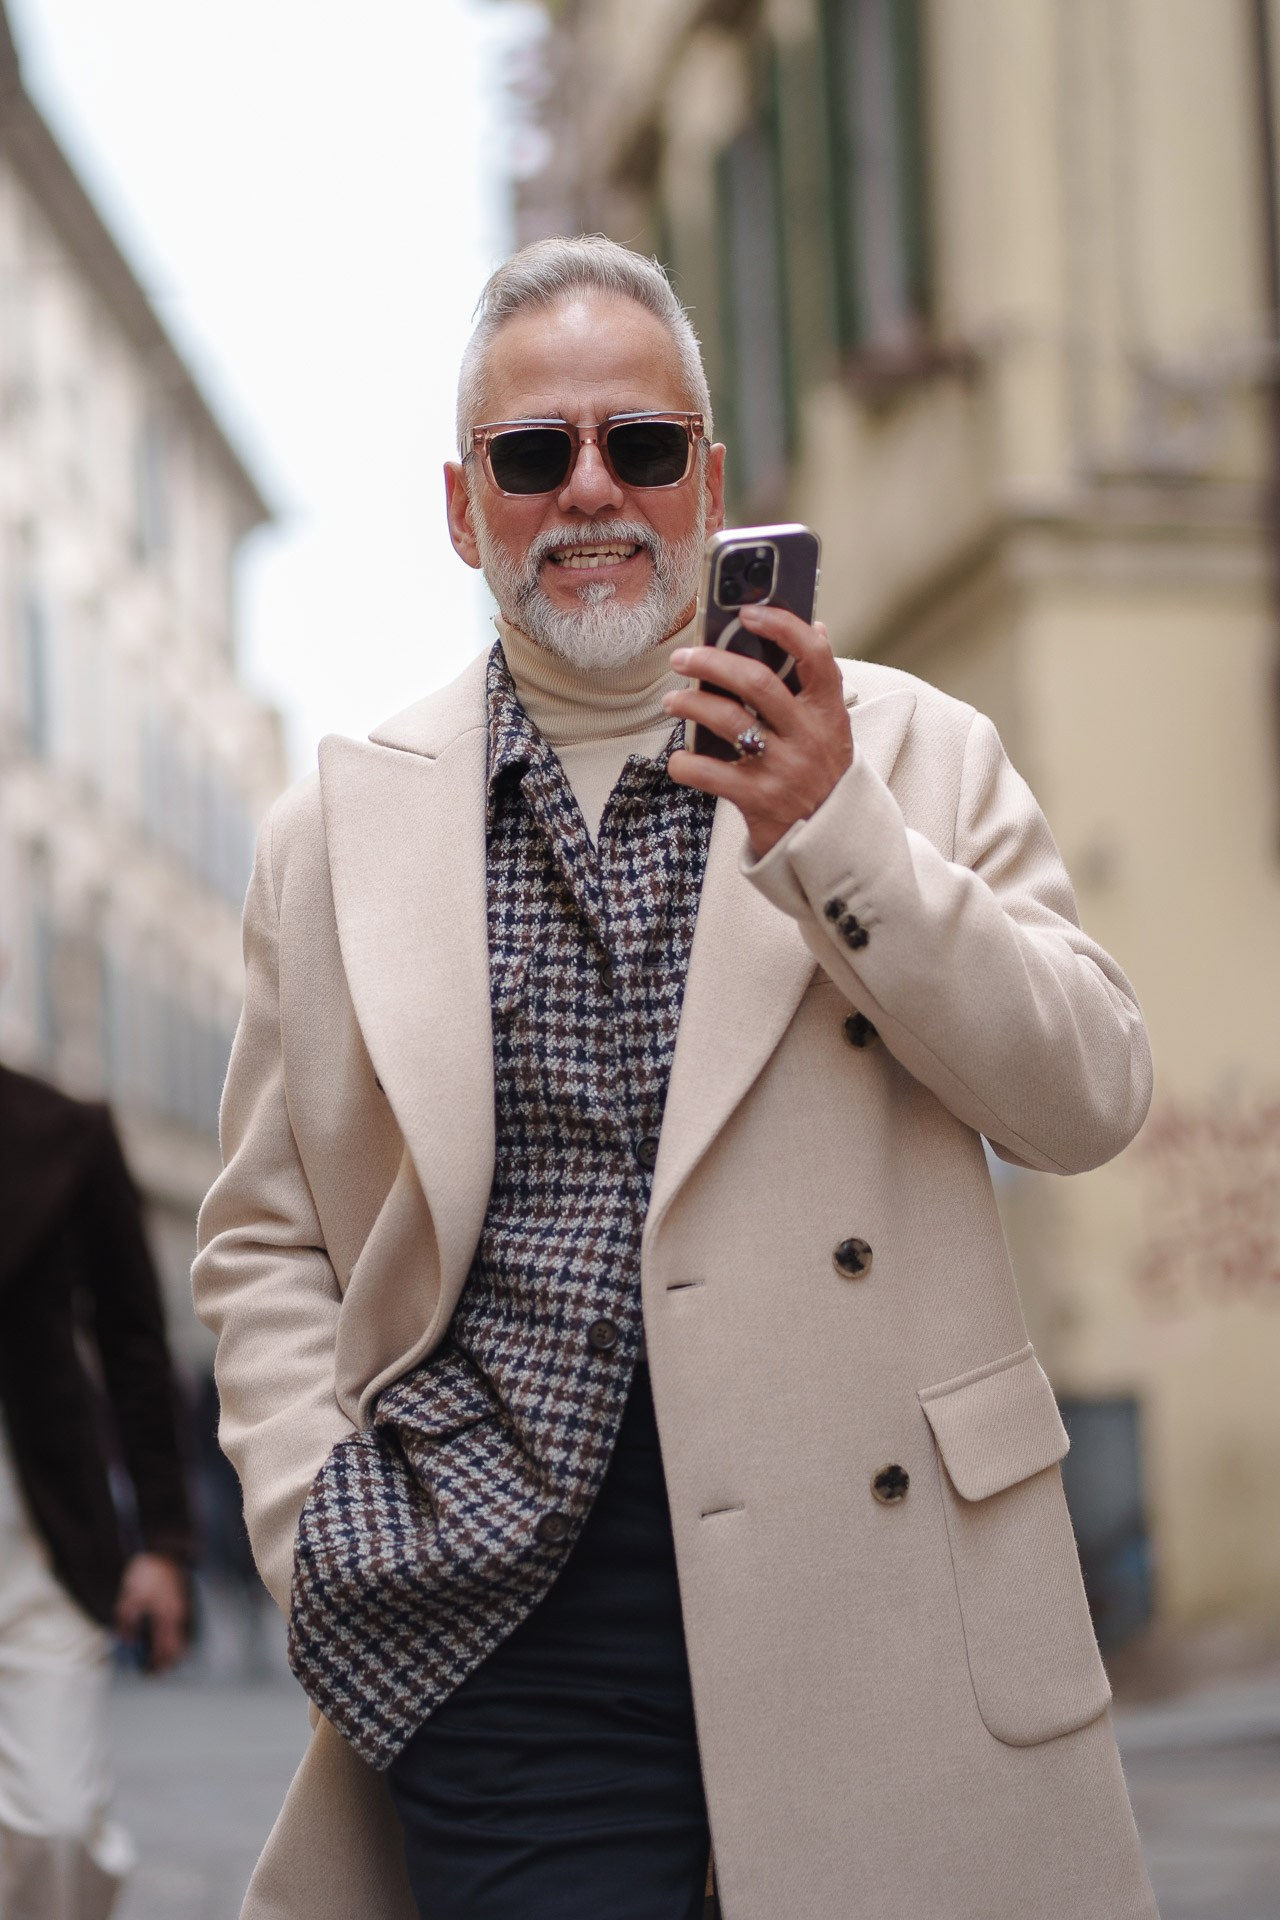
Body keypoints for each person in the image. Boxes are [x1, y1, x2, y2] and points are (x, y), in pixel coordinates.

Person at [193, 234, 1160, 1920]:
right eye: (532, 455)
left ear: (709, 481)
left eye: (640, 448)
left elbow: (1086, 1097)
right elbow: (262, 1238)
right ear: (461, 506)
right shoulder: (337, 832)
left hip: (882, 1593)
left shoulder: (910, 754)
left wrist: (835, 835)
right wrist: (319, 1525)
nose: (591, 494)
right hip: (500, 1623)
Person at [0, 1058, 193, 1920]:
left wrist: (163, 1544)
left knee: (58, 1824)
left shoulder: (64, 1133)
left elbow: (136, 1347)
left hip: (42, 1547)